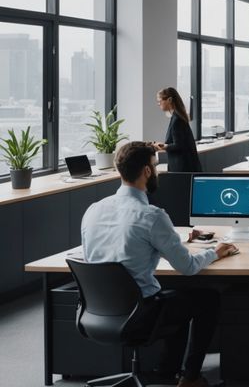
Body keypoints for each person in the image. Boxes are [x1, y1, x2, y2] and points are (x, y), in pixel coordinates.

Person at [81, 142, 238, 387]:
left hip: (98, 313)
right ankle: (190, 377)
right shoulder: (152, 215)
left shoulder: (93, 210)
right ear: (146, 172)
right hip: (141, 315)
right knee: (206, 298)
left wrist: (175, 239)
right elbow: (187, 267)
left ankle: (166, 370)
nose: (157, 172)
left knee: (176, 299)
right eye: (156, 166)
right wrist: (215, 252)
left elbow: (116, 246)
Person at [153, 87, 201, 173]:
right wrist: (164, 145)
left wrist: (164, 146)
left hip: (182, 168)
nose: (158, 104)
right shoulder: (177, 117)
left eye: (160, 101)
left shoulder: (177, 120)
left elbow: (179, 145)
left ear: (169, 100)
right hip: (184, 166)